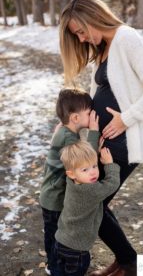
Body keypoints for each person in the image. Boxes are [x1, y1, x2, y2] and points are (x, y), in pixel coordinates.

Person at [59, 0, 143, 276]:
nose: (83, 38)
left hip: (124, 140)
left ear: (93, 17)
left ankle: (129, 262)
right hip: (106, 140)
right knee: (91, 201)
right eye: (78, 35)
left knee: (90, 202)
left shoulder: (126, 38)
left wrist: (126, 119)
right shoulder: (106, 46)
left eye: (82, 31)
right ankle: (126, 261)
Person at [39, 88, 100, 275]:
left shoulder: (64, 131)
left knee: (53, 232)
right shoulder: (68, 138)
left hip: (49, 195)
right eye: (89, 113)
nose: (91, 116)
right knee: (56, 235)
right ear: (75, 118)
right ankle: (54, 266)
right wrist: (94, 132)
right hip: (55, 199)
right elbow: (85, 158)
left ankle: (52, 264)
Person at [52, 141, 120, 276]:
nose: (93, 172)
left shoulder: (71, 181)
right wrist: (109, 164)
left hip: (60, 240)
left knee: (59, 272)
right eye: (85, 169)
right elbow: (112, 183)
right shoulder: (91, 190)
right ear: (71, 174)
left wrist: (93, 149)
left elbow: (82, 164)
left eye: (94, 166)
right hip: (77, 250)